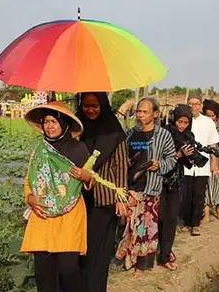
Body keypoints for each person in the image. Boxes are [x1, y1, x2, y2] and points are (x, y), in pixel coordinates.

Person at [21, 102, 93, 292]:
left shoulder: (79, 150)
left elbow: (90, 181)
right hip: (42, 214)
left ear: (64, 124)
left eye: (54, 121)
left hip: (69, 215)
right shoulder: (39, 151)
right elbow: (30, 180)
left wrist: (87, 177)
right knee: (43, 272)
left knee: (68, 269)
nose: (49, 126)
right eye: (46, 122)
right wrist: (30, 198)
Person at [116, 97, 176, 272]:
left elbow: (172, 159)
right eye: (138, 112)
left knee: (146, 228)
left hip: (151, 187)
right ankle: (129, 259)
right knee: (130, 225)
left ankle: (142, 265)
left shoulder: (163, 135)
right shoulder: (130, 134)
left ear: (155, 114)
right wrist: (125, 161)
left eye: (145, 112)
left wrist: (160, 165)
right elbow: (121, 155)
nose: (140, 115)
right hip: (131, 187)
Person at [76, 92, 129, 292]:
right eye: (86, 106)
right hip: (78, 198)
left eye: (94, 106)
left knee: (98, 250)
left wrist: (121, 198)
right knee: (80, 249)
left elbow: (122, 166)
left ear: (103, 106)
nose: (90, 110)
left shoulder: (114, 131)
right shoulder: (76, 127)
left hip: (104, 198)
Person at [160, 104, 195, 270]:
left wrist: (189, 157)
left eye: (186, 122)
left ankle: (166, 254)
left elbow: (188, 164)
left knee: (172, 218)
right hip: (159, 181)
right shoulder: (163, 133)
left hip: (176, 182)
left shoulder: (189, 137)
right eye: (180, 121)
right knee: (158, 218)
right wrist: (177, 155)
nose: (182, 125)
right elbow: (159, 156)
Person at [181, 95, 219, 235]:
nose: (194, 106)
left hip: (202, 163)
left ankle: (195, 224)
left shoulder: (208, 122)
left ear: (200, 106)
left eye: (196, 104)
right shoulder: (183, 121)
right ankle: (186, 222)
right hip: (185, 163)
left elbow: (213, 143)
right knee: (186, 195)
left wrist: (214, 163)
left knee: (199, 195)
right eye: (191, 104)